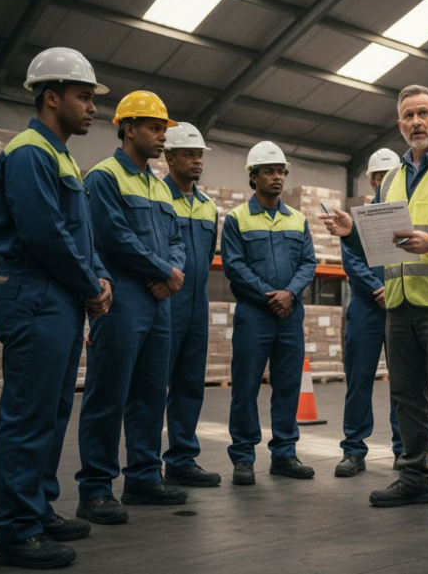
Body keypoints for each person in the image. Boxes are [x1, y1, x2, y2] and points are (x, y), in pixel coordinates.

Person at [319, 85, 428, 525]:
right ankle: (415, 477)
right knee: (407, 399)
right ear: (399, 125)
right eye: (408, 116)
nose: (416, 122)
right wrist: (351, 234)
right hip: (399, 304)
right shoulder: (395, 177)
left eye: (423, 113)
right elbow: (384, 244)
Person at [0, 47, 112, 569]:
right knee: (28, 417)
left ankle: (38, 510)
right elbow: (44, 234)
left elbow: (77, 235)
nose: (92, 108)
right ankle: (15, 532)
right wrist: (91, 283)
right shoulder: (28, 152)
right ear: (51, 96)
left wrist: (96, 276)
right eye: (83, 97)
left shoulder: (61, 156)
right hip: (35, 296)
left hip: (59, 300)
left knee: (53, 414)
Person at [75, 91, 188, 524]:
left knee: (148, 396)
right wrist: (165, 272)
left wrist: (172, 272)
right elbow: (112, 236)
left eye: (163, 129)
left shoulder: (159, 187)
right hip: (121, 301)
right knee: (108, 395)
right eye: (155, 128)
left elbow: (175, 238)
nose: (162, 137)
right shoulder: (103, 177)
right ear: (127, 128)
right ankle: (96, 489)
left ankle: (142, 476)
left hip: (159, 303)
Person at [222, 141, 317, 486]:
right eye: (269, 171)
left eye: (280, 172)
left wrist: (289, 294)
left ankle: (285, 454)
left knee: (288, 384)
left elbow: (309, 263)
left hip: (290, 314)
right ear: (253, 177)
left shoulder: (298, 219)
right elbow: (234, 266)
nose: (277, 177)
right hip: (254, 314)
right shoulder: (236, 218)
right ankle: (244, 457)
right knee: (245, 386)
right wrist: (270, 296)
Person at [334, 148, 404, 478]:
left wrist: (395, 289)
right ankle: (353, 450)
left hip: (402, 304)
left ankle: (405, 450)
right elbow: (352, 261)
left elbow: (413, 258)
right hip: (367, 305)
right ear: (372, 180)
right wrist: (379, 290)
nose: (386, 182)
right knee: (359, 378)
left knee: (404, 382)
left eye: (392, 176)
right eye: (381, 177)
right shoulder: (359, 218)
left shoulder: (407, 217)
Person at [161, 122, 221, 487]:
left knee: (190, 385)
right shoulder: (158, 196)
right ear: (169, 157)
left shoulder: (208, 206)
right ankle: (145, 465)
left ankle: (181, 460)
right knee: (153, 387)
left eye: (199, 155)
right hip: (166, 303)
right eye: (189, 154)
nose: (197, 161)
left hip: (197, 306)